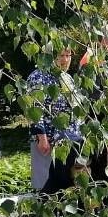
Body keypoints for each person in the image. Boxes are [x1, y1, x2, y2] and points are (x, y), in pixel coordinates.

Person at [26, 46, 83, 190]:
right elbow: (34, 109)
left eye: (68, 55)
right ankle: (42, 210)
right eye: (60, 56)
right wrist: (42, 137)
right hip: (47, 137)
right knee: (45, 182)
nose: (65, 60)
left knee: (64, 182)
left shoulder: (67, 77)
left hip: (67, 140)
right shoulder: (38, 76)